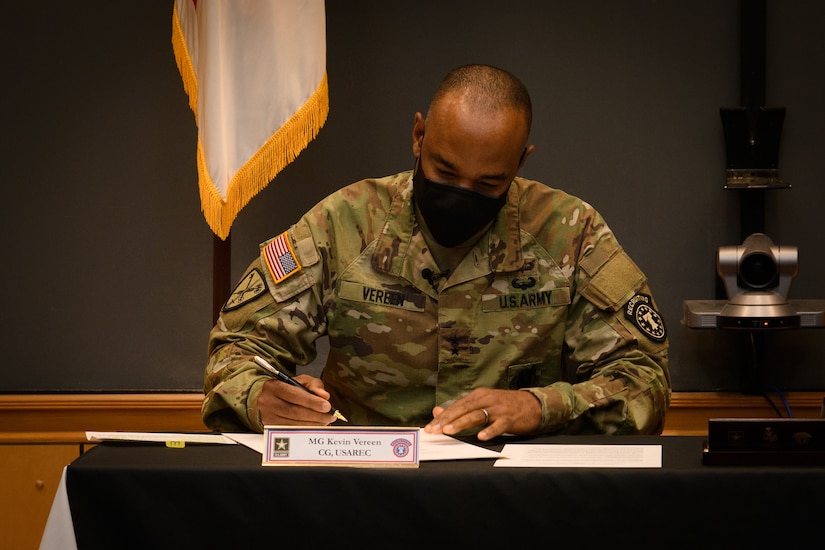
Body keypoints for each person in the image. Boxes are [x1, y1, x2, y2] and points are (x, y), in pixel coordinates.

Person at [202, 64, 671, 440]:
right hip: (364, 486)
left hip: (516, 495)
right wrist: (262, 395)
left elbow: (643, 380)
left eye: (488, 183)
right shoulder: (344, 223)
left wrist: (540, 406)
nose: (461, 193)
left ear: (521, 162)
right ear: (418, 136)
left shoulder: (569, 234)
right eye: (444, 172)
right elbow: (235, 352)